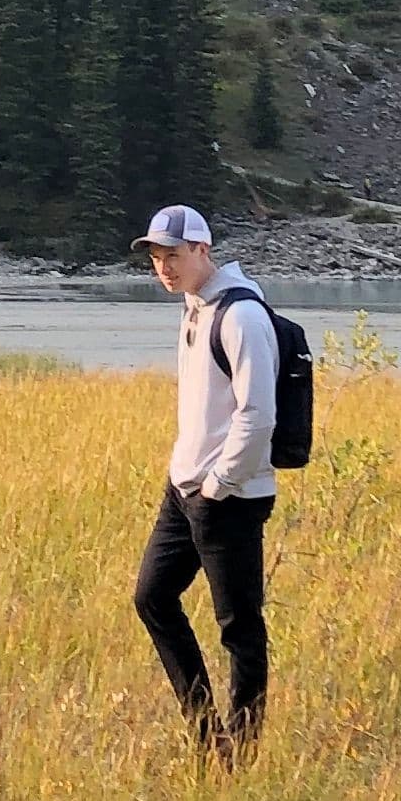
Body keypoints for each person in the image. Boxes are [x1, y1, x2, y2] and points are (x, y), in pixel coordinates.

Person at [131, 202, 277, 752]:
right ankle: (205, 732)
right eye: (156, 258)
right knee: (153, 598)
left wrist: (220, 485)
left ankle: (241, 753)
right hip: (185, 489)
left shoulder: (241, 316)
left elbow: (258, 413)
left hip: (229, 497)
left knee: (239, 627)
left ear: (202, 250)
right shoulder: (193, 309)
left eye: (174, 255)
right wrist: (185, 476)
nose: (164, 267)